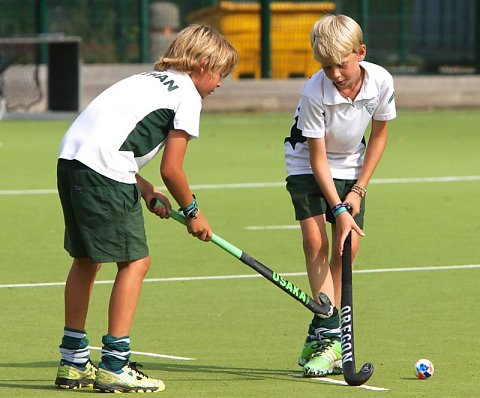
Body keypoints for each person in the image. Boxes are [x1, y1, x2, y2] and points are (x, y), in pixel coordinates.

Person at [54, 24, 238, 393]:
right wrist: (194, 213)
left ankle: (73, 362)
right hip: (104, 172)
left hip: (70, 162)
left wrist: (144, 189)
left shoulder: (147, 78)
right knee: (136, 262)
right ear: (202, 64)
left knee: (86, 260)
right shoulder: (188, 96)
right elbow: (173, 168)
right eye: (220, 73)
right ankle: (115, 365)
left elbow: (109, 140)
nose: (220, 83)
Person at [283, 14, 396, 377]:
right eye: (325, 66)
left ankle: (319, 330)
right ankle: (331, 338)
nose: (333, 74)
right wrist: (337, 207)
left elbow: (378, 136)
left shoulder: (380, 81)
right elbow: (316, 158)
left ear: (360, 53)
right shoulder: (315, 92)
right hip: (306, 163)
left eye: (340, 65)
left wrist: (358, 191)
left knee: (347, 249)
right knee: (315, 241)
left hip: (351, 165)